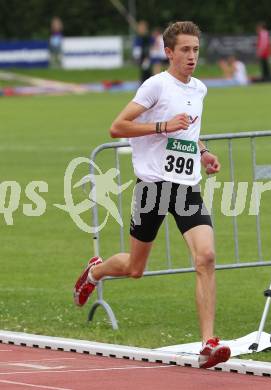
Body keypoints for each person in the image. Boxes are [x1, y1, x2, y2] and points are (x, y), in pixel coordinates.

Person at [74, 21, 231, 369]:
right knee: (135, 268)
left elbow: (190, 132)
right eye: (185, 50)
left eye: (196, 49)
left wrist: (203, 152)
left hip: (186, 186)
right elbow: (117, 127)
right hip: (152, 188)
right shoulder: (155, 86)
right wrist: (161, 126)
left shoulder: (200, 89)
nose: (192, 56)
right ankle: (95, 272)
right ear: (169, 52)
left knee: (206, 257)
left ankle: (208, 343)